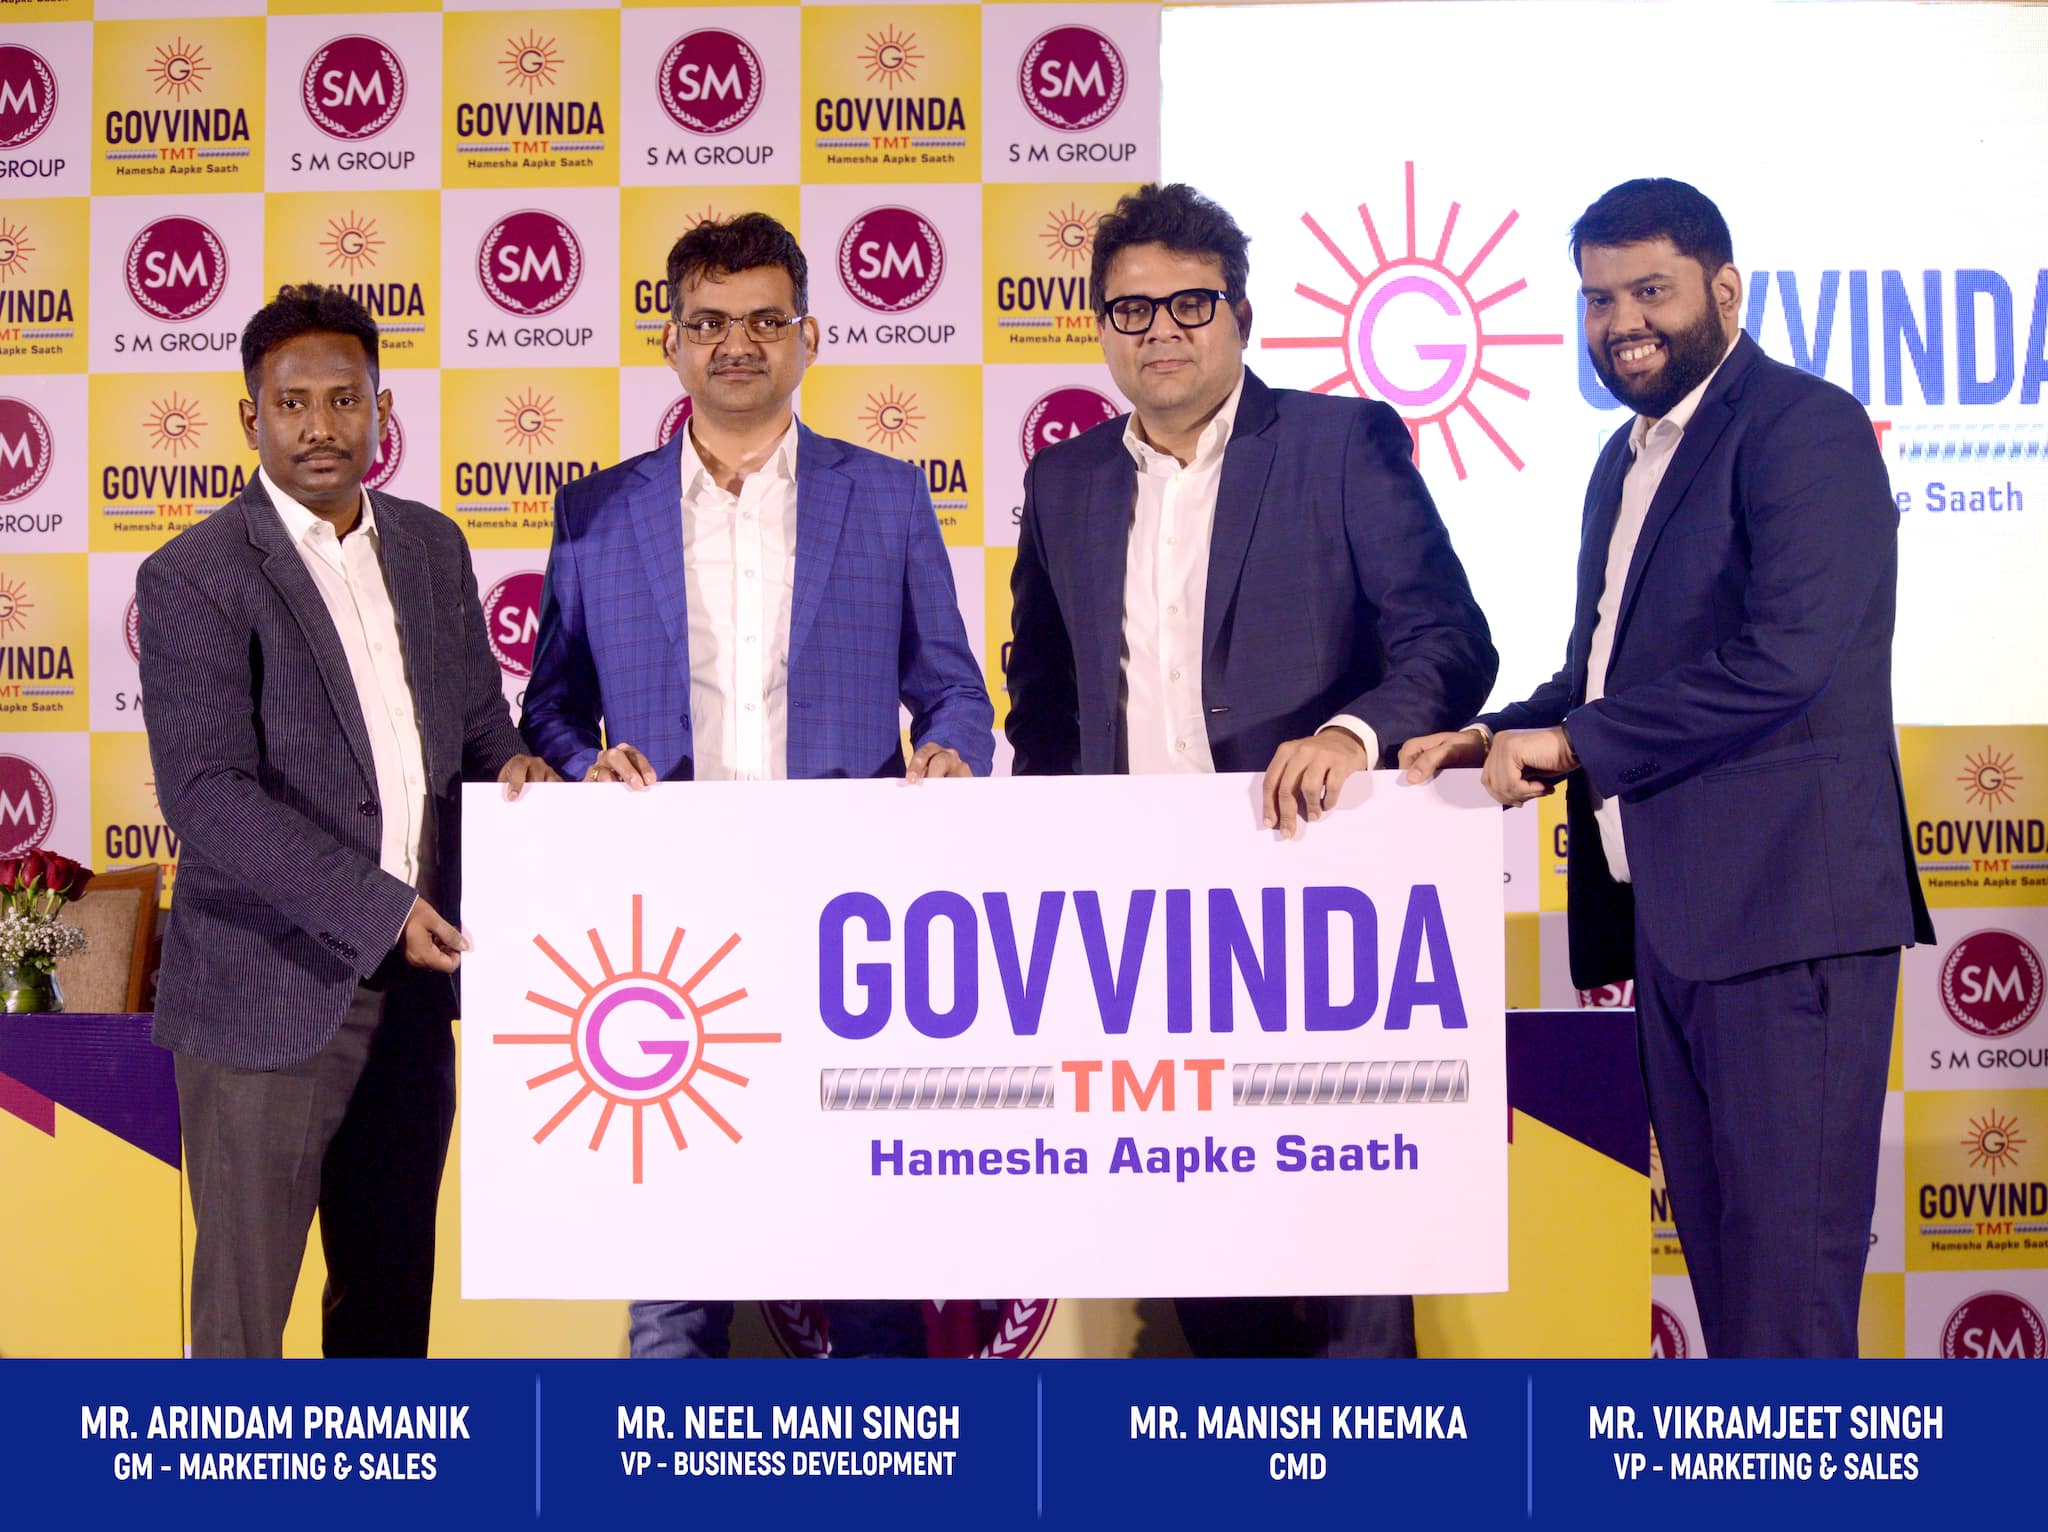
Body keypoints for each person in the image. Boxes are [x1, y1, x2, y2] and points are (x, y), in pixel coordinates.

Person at [1401, 178, 1934, 1357]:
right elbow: (1599, 673)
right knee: (1732, 1289)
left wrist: (1574, 744)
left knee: (1786, 1303)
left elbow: (1786, 656)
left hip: (1786, 917)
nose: (1620, 323)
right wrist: (1493, 732)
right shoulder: (1624, 456)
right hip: (1674, 920)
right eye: (1597, 298)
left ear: (1723, 288)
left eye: (1649, 290)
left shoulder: (1801, 425)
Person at [1005, 183, 1497, 1358]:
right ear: (1100, 327)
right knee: (1201, 1254)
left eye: (1190, 303)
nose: (1160, 330)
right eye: (1131, 309)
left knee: (1348, 1267)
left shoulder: (1341, 444)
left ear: (1239, 315)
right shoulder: (1063, 483)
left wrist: (1351, 735)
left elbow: (1448, 642)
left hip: (1318, 913)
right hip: (1141, 935)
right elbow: (1046, 711)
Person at [521, 212, 994, 1358]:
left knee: (864, 1262)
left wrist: (950, 749)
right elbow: (548, 707)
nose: (736, 344)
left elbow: (952, 686)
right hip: (666, 933)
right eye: (708, 323)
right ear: (669, 342)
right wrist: (583, 763)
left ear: (808, 337)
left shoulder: (885, 495)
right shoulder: (594, 511)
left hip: (846, 925)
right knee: (674, 1280)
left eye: (764, 320)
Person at [137, 284, 559, 1358]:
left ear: (382, 408)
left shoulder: (429, 545)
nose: (320, 426)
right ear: (251, 417)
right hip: (263, 996)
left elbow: (476, 723)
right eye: (292, 404)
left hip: (415, 998)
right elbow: (207, 795)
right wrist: (382, 910)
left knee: (387, 1312)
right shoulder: (194, 575)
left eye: (343, 399)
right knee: (241, 1332)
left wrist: (517, 765)